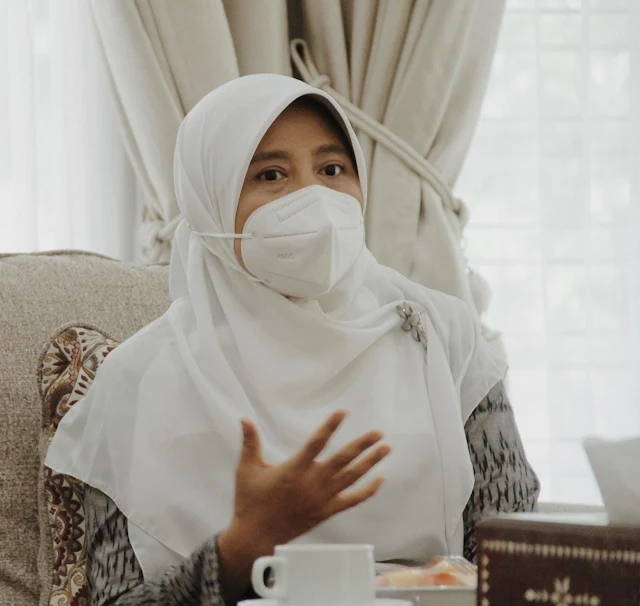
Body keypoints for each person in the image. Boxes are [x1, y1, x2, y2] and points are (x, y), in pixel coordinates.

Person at [45, 74, 539, 606]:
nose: (313, 200)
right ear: (210, 202)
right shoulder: (137, 382)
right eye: (271, 175)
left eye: (332, 170)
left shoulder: (444, 336)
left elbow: (516, 561)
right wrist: (241, 548)